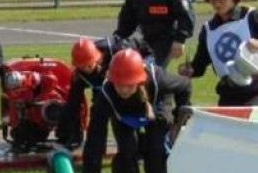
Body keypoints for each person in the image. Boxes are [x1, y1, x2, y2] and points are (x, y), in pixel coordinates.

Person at [79, 49, 182, 173]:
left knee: (156, 151)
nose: (124, 90)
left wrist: (178, 117)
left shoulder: (158, 79)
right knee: (126, 154)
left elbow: (185, 85)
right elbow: (95, 143)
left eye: (129, 85)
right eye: (119, 85)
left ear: (140, 81)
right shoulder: (106, 96)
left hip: (155, 111)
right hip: (124, 118)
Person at [56, 35, 191, 149]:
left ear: (99, 59)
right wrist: (63, 133)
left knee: (144, 111)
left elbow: (138, 70)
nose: (86, 70)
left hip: (141, 62)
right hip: (114, 83)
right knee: (107, 110)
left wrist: (178, 118)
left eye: (89, 65)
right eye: (82, 67)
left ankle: (152, 142)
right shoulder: (79, 77)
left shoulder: (119, 53)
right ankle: (132, 144)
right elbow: (72, 104)